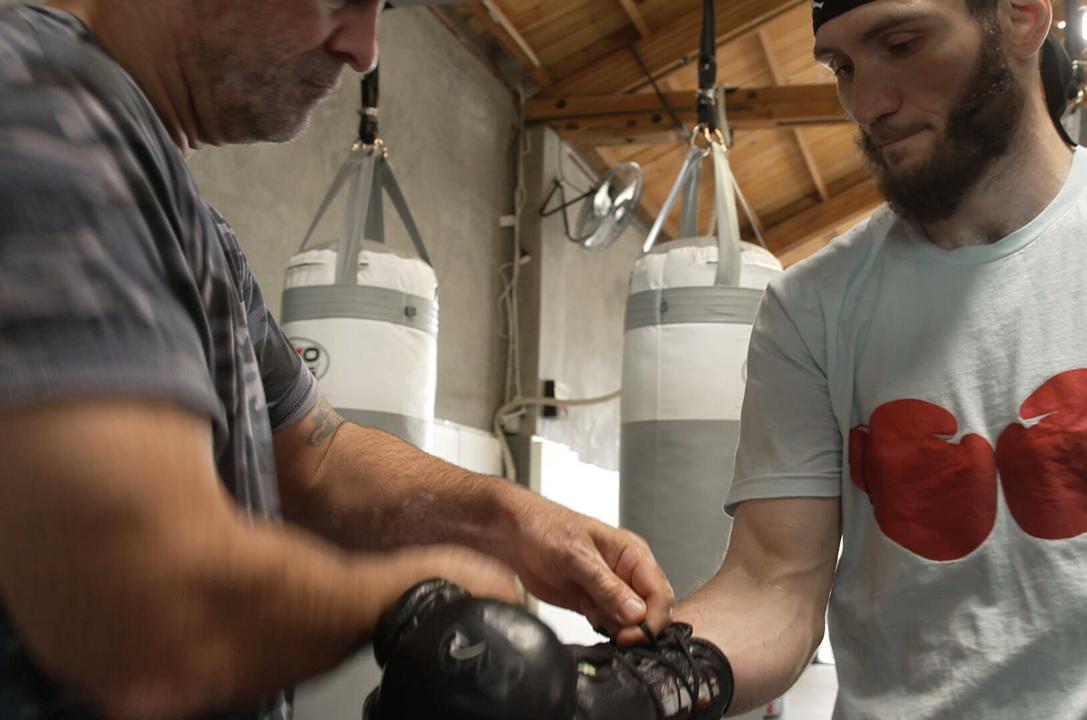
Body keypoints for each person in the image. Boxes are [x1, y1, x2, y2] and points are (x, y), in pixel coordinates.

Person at [0, 1, 673, 718]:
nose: (365, 50)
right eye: (339, 0)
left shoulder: (185, 216)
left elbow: (317, 458)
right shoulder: (41, 109)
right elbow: (144, 613)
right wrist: (405, 598)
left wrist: (508, 518)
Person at [648, 0, 1087, 718]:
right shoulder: (812, 305)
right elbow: (772, 586)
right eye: (842, 66)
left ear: (1020, 16)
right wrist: (642, 686)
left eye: (902, 43)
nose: (869, 103)